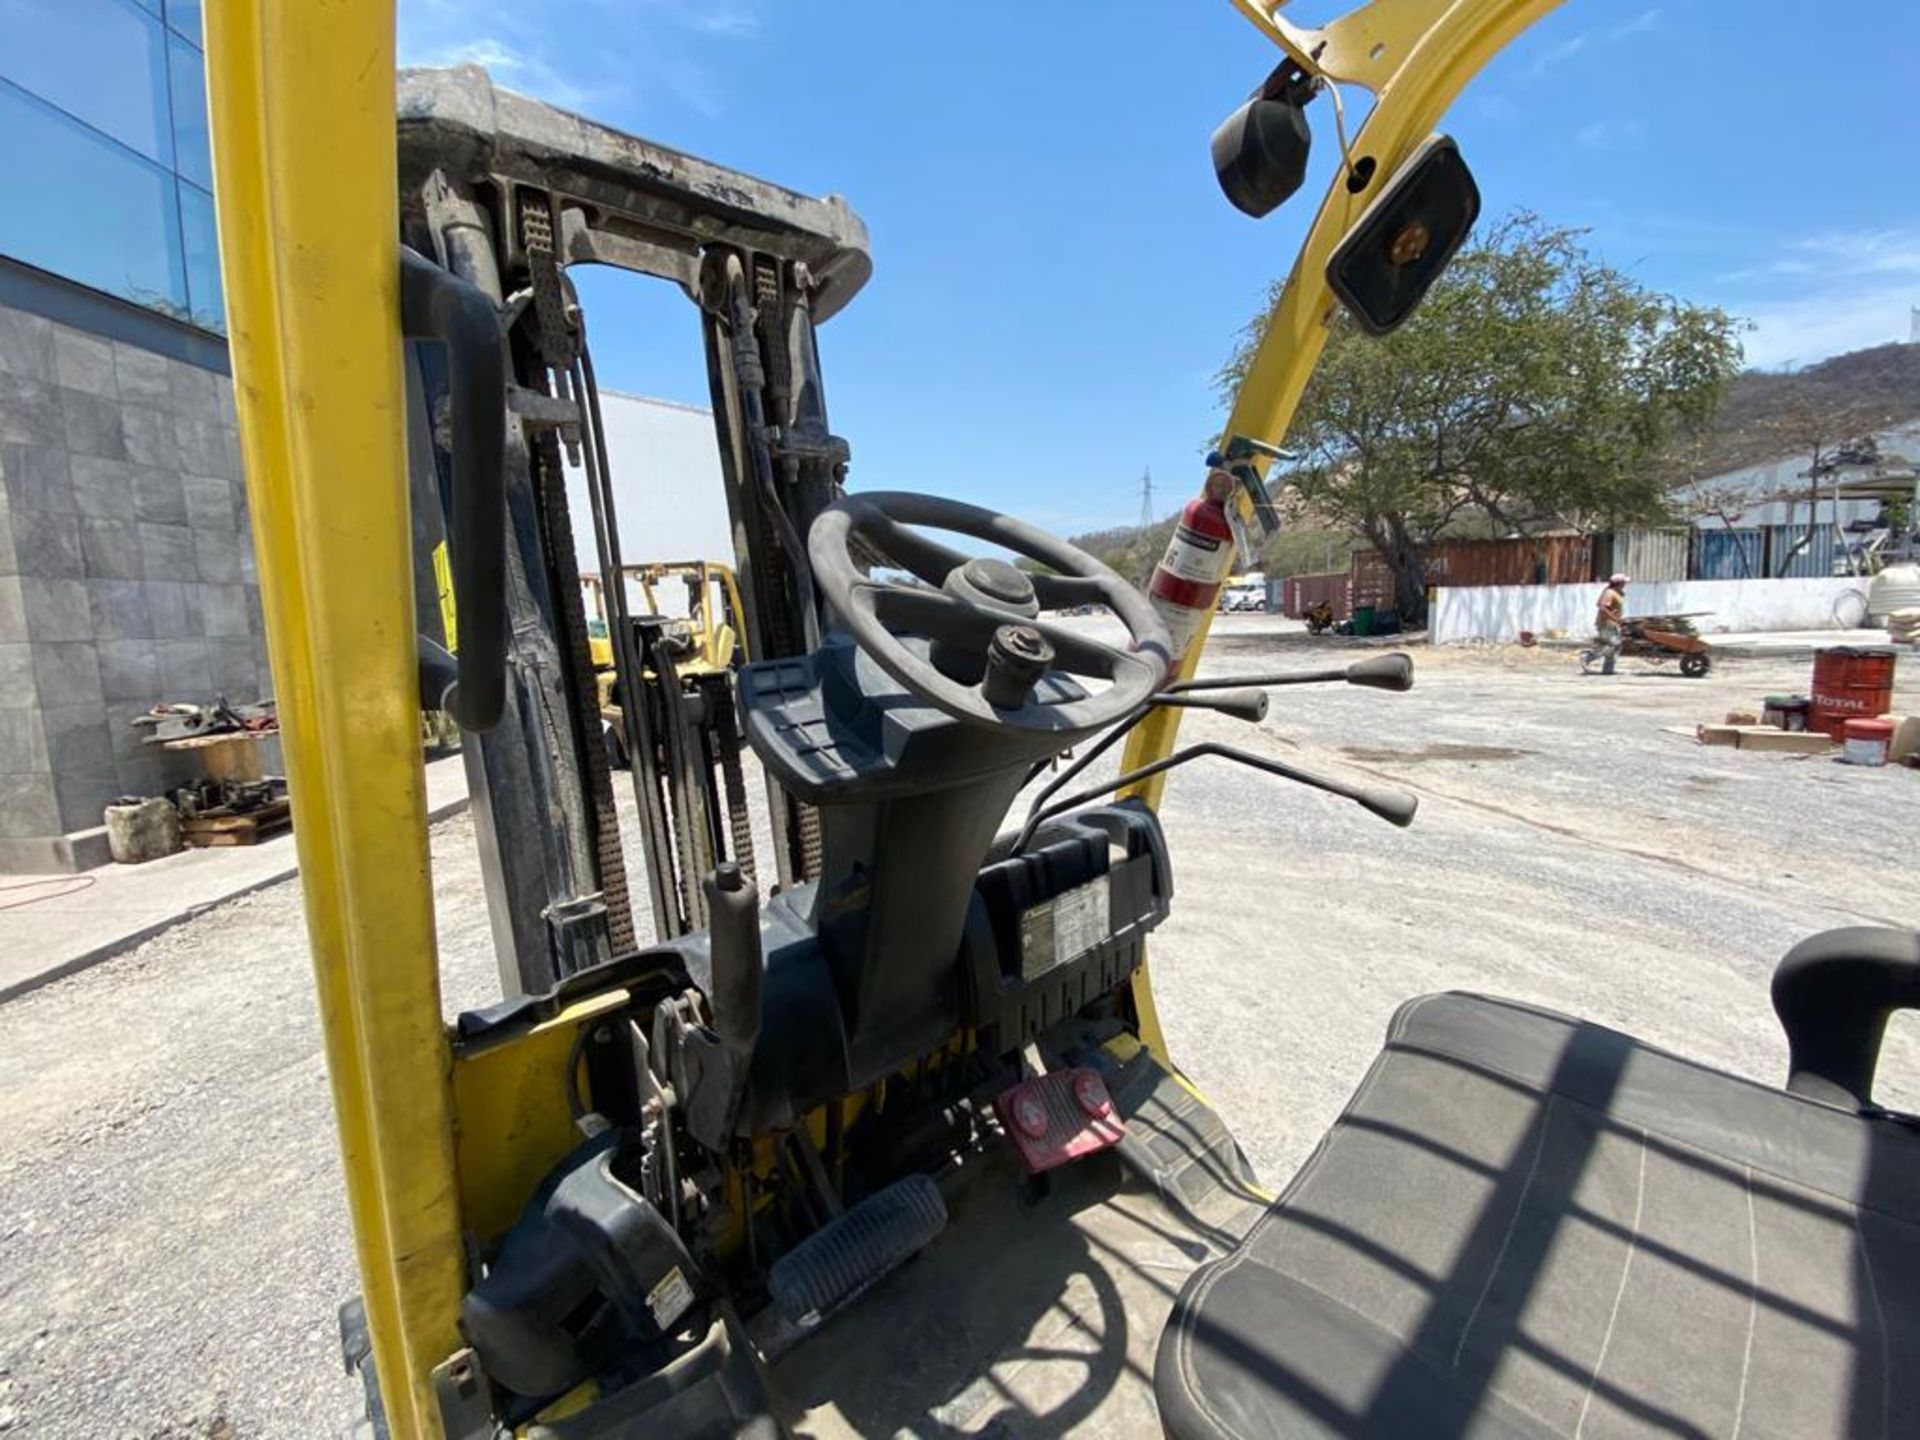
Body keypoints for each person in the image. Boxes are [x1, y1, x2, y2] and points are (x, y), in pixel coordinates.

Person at [1582, 573, 1628, 675]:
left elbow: (1600, 603)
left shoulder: (1613, 592)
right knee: (1613, 645)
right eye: (1624, 582)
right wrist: (1616, 619)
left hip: (1611, 623)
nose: (1625, 584)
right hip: (1607, 624)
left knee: (1614, 646)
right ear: (1618, 583)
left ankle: (1608, 670)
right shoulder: (1610, 593)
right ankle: (1589, 656)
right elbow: (1602, 607)